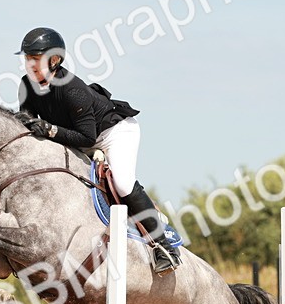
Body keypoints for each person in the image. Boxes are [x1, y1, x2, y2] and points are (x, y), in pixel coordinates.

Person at [15, 26, 181, 274]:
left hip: (112, 133)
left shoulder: (72, 88)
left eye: (36, 58)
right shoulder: (26, 85)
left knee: (123, 184)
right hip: (75, 136)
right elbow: (27, 123)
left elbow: (87, 136)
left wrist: (49, 130)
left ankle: (163, 244)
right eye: (28, 58)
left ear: (55, 60)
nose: (30, 64)